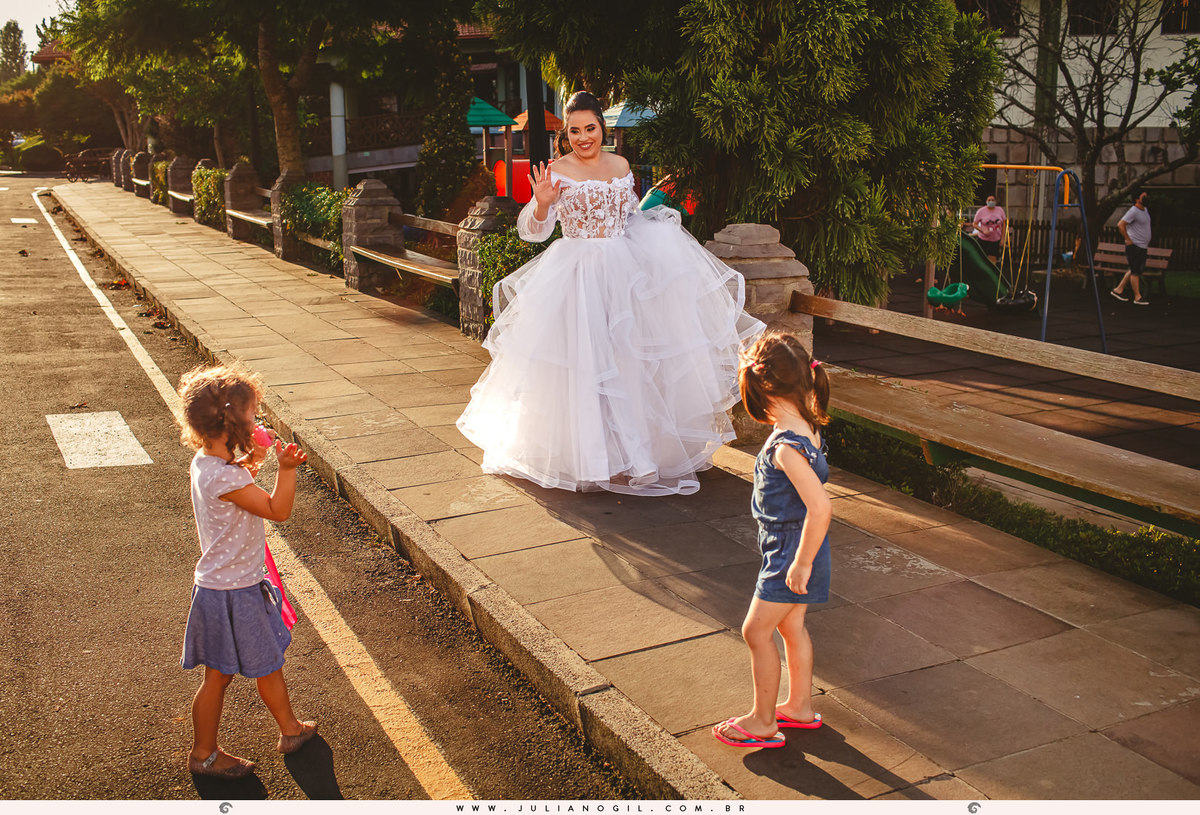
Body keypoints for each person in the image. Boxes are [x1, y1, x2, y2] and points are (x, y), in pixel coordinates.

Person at [457, 91, 764, 496]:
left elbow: (630, 218)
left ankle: (634, 455)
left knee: (626, 363)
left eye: (591, 128)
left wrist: (659, 256)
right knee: (583, 362)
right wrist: (543, 204)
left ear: (603, 128)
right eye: (575, 131)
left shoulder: (620, 165)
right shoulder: (557, 170)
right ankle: (590, 457)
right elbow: (532, 232)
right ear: (565, 135)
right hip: (576, 275)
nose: (584, 138)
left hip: (623, 273)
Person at [177, 365, 317, 778]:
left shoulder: (208, 464)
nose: (258, 422)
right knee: (223, 676)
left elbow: (238, 486)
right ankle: (204, 754)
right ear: (231, 422)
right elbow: (277, 510)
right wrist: (286, 470)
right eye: (253, 416)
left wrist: (255, 457)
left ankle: (289, 729)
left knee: (256, 666)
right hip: (233, 593)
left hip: (225, 587)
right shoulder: (225, 475)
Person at [713, 331, 832, 748]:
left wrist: (799, 563)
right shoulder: (808, 430)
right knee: (792, 626)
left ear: (766, 391)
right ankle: (799, 707)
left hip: (789, 554)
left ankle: (763, 721)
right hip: (801, 548)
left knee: (755, 632)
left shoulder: (785, 448)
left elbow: (821, 508)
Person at [1110, 191, 1151, 305]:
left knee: (1135, 269)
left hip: (1142, 246)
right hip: (1135, 246)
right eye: (1144, 196)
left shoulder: (1145, 210)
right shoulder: (1133, 211)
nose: (1147, 198)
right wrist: (1128, 239)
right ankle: (1137, 297)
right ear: (1137, 199)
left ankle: (1118, 290)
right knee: (1135, 272)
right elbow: (1120, 224)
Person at [972, 194, 1007, 262]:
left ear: (996, 201)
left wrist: (1003, 238)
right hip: (983, 239)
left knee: (993, 259)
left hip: (995, 240)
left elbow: (1004, 224)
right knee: (982, 258)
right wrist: (982, 230)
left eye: (993, 200)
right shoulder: (981, 211)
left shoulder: (1000, 210)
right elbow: (974, 224)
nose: (991, 201)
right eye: (989, 200)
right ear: (986, 201)